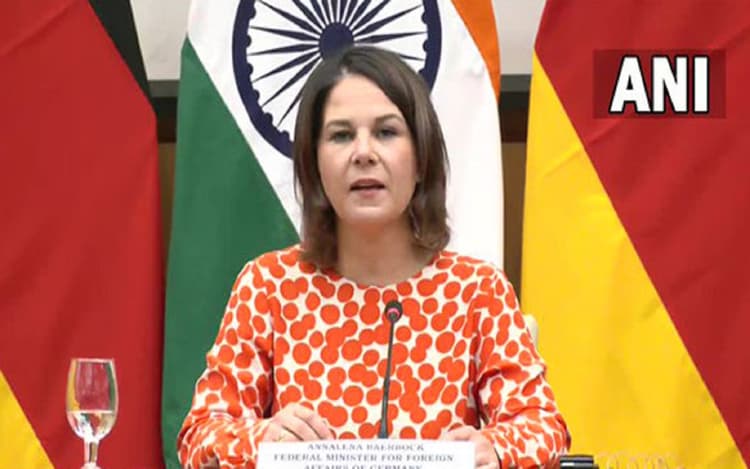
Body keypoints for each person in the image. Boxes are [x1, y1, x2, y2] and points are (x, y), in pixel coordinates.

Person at [177, 45, 569, 469]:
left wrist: (493, 448)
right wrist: (263, 440)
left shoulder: (476, 290)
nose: (363, 153)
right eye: (341, 135)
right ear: (314, 164)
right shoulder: (269, 285)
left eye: (386, 132)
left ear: (421, 160)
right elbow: (200, 434)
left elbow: (543, 427)